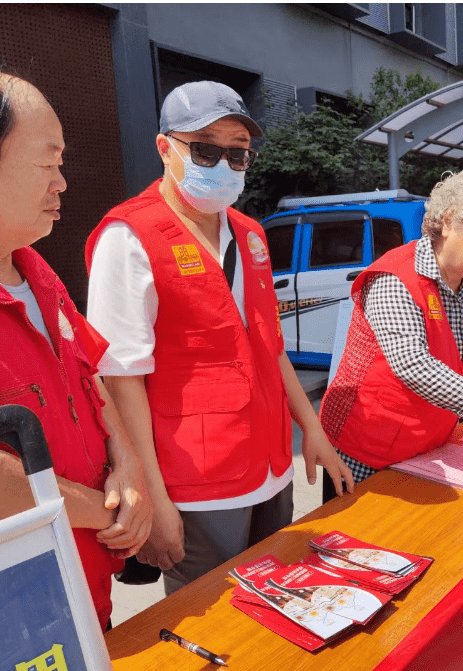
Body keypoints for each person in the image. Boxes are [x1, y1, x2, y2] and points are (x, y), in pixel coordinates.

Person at [85, 80, 354, 595]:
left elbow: (270, 346)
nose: (223, 165)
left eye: (238, 154)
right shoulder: (129, 238)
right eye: (205, 149)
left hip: (271, 464)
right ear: (166, 149)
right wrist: (152, 495)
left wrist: (311, 428)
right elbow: (120, 379)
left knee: (280, 596)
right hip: (195, 481)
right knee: (215, 617)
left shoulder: (250, 233)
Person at [0, 56, 151, 630]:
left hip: (78, 583)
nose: (62, 182)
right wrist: (98, 511)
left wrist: (126, 466)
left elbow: (89, 378)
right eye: (46, 163)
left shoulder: (34, 270)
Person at [319, 166, 463, 500]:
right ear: (450, 220)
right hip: (366, 446)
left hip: (428, 443)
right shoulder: (394, 277)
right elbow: (412, 363)